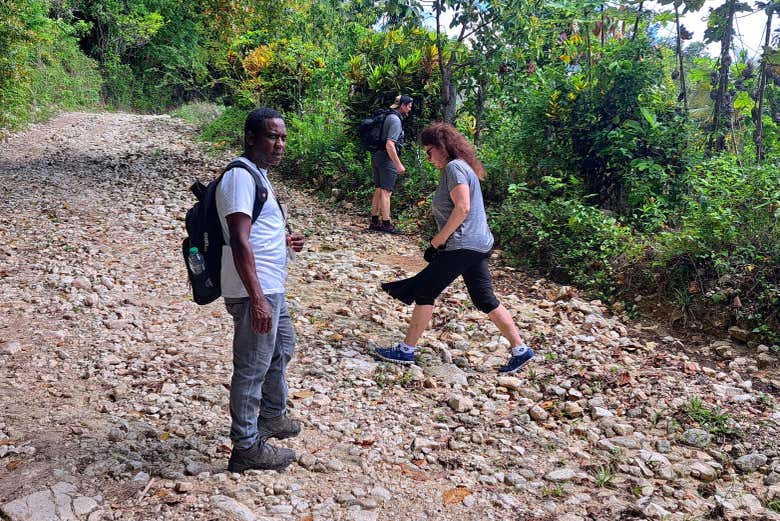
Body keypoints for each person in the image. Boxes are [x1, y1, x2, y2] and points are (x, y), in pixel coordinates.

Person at [375, 122, 534, 374]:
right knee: (484, 298)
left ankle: (406, 350)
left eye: (428, 152)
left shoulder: (454, 167)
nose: (428, 158)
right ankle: (520, 349)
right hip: (478, 244)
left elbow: (463, 207)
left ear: (441, 147)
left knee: (425, 290)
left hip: (463, 244)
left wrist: (437, 241)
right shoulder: (462, 167)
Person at [216, 107, 305, 473]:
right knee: (252, 367)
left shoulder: (259, 176)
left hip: (270, 285)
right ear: (251, 137)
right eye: (272, 136)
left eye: (283, 137)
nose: (280, 144)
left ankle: (272, 416)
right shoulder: (240, 177)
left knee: (283, 347)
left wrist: (283, 240)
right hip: (255, 289)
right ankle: (247, 447)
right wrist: (257, 300)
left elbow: (254, 231)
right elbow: (238, 239)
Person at [369, 94, 413, 234]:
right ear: (403, 106)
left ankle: (375, 221)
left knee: (379, 188)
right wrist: (398, 164)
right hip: (386, 158)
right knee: (387, 191)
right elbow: (390, 145)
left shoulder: (387, 116)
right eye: (409, 106)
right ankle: (386, 224)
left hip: (376, 155)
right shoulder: (395, 120)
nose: (410, 109)